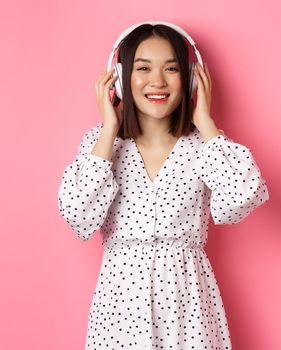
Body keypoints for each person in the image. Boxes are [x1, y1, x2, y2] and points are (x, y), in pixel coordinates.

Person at [57, 22, 269, 349]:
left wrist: (207, 124)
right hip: (120, 310)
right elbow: (78, 216)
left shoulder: (205, 146)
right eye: (143, 68)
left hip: (188, 305)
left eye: (171, 69)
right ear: (120, 77)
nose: (157, 81)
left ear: (191, 77)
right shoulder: (101, 146)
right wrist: (108, 128)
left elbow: (244, 196)